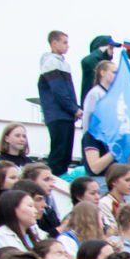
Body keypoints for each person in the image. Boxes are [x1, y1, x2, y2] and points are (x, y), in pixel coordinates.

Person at [39, 32, 80, 175]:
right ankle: (54, 179)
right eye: (64, 42)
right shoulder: (51, 62)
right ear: (54, 43)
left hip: (66, 115)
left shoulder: (64, 64)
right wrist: (74, 109)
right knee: (59, 153)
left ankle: (61, 177)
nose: (67, 46)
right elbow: (59, 91)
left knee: (66, 154)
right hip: (57, 114)